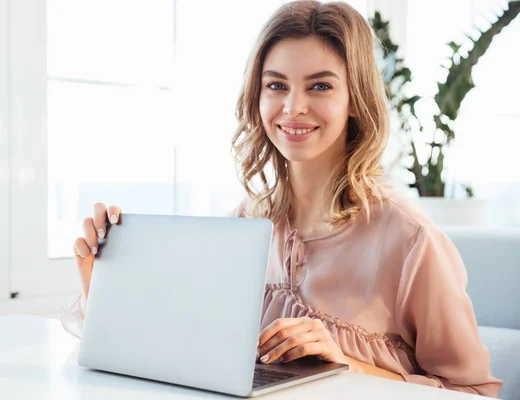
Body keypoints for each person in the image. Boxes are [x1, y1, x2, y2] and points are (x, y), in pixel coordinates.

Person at [62, 1, 502, 397]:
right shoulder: (243, 223)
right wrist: (102, 287)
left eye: (320, 86)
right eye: (276, 85)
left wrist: (348, 366)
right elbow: (176, 354)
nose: (293, 107)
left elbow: (477, 393)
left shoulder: (411, 241)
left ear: (355, 99)